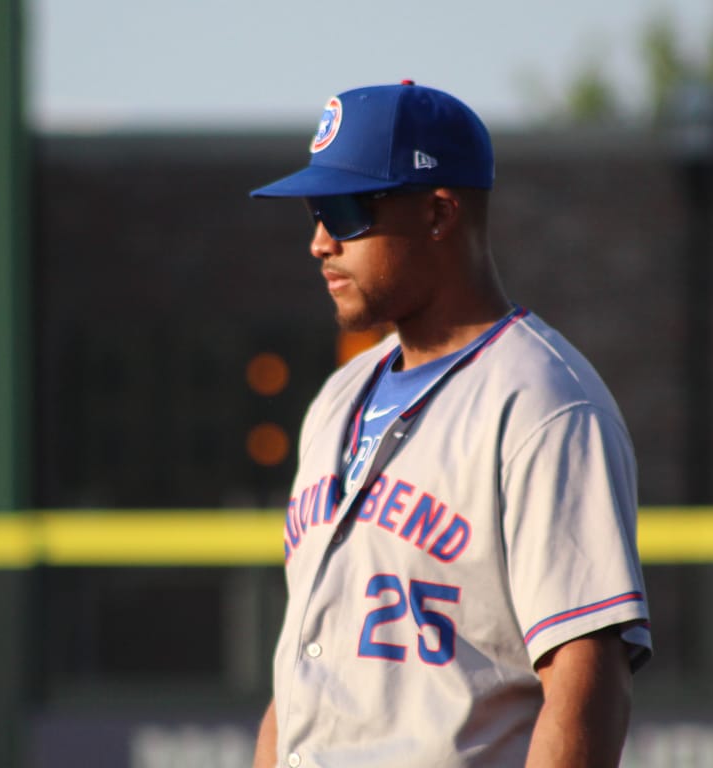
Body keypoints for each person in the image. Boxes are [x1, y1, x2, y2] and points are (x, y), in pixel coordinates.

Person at [247, 81, 652, 768]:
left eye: (344, 210)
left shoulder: (543, 404)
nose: (319, 242)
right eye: (315, 212)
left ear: (438, 213)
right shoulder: (336, 399)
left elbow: (585, 677)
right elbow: (299, 682)